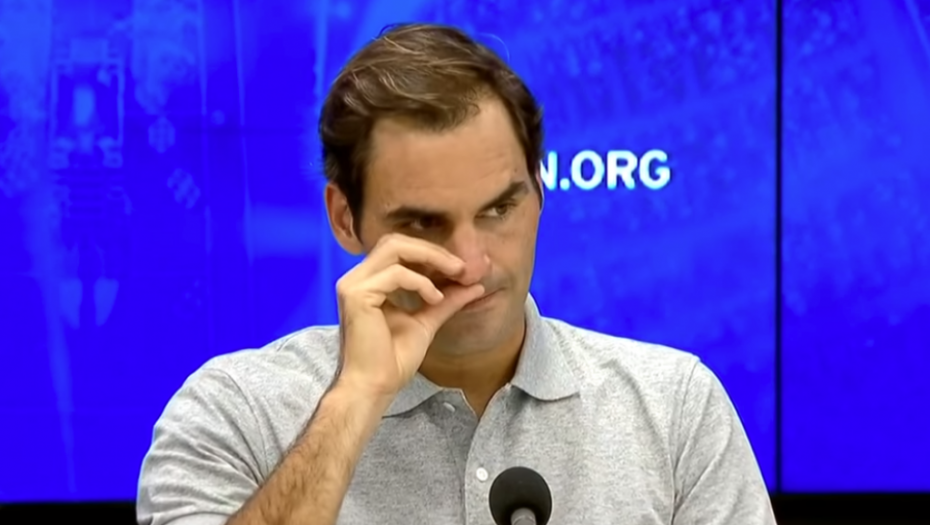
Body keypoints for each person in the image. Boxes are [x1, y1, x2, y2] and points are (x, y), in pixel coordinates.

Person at [137, 22, 776, 525]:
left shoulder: (674, 409)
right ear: (345, 218)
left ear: (539, 195)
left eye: (499, 209)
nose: (472, 263)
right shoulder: (233, 412)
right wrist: (356, 397)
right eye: (423, 223)